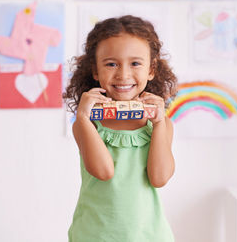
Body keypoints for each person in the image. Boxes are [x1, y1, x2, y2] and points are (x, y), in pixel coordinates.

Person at [63, 15, 177, 242]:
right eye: (111, 64)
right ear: (95, 70)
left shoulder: (160, 125)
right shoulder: (86, 125)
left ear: (151, 69)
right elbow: (104, 172)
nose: (123, 75)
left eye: (135, 63)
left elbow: (159, 178)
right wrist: (84, 119)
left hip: (149, 236)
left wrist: (159, 124)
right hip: (95, 235)